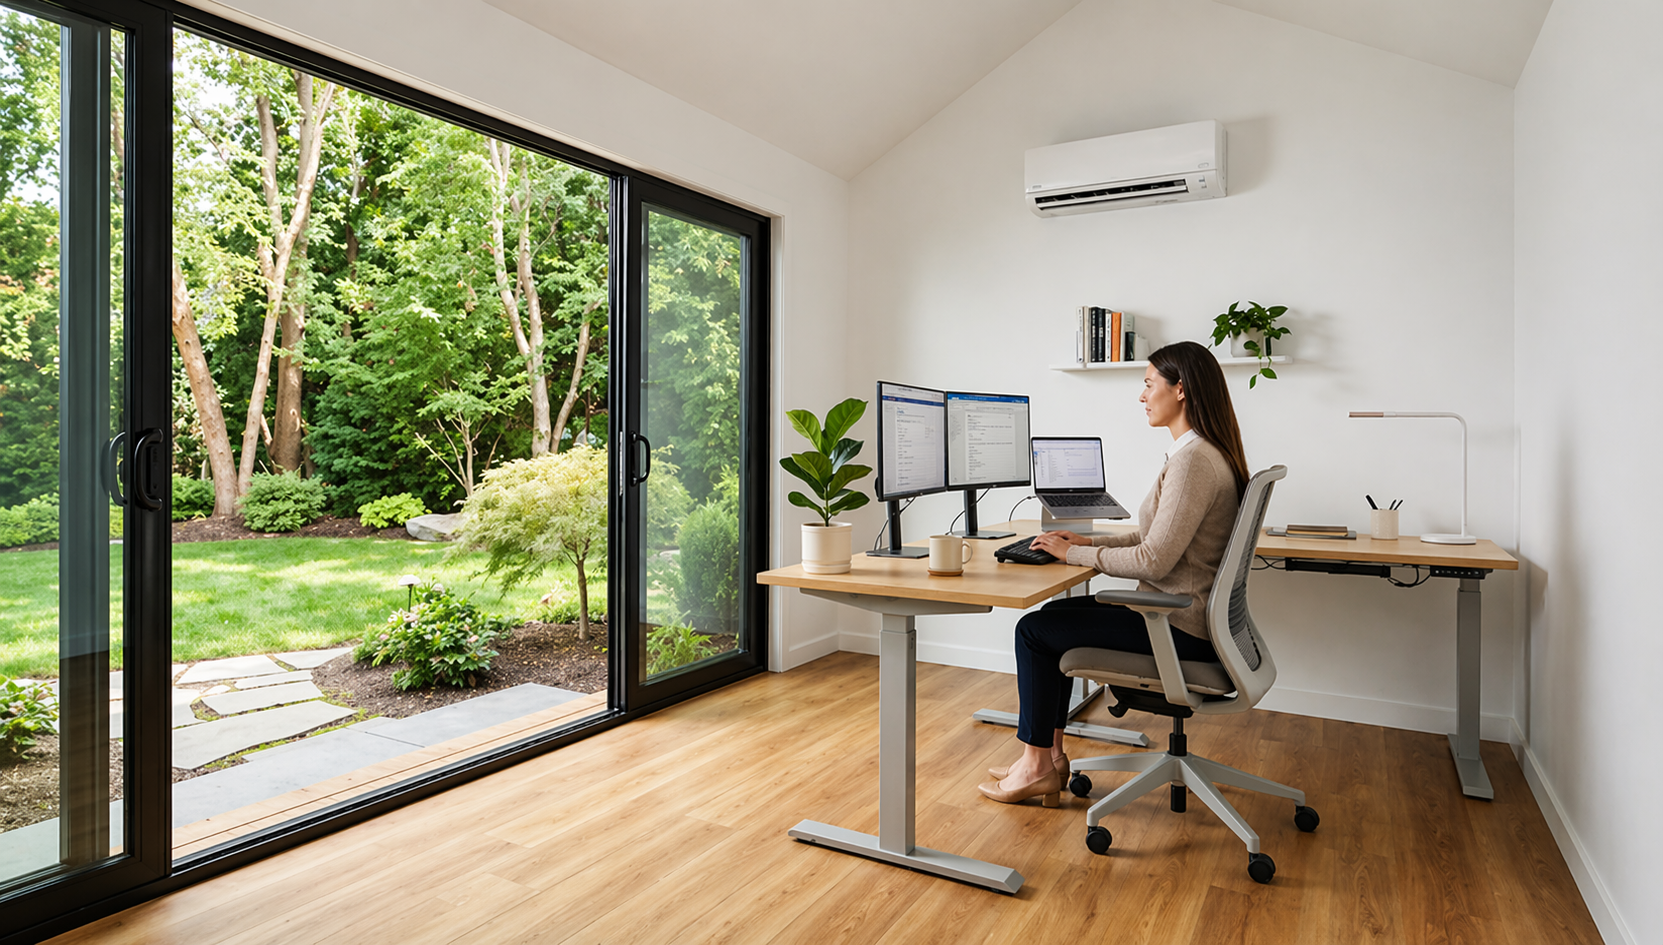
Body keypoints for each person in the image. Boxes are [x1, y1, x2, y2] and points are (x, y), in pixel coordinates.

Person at [977, 340, 1251, 806]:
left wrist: (1073, 558)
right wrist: (1088, 542)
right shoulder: (1202, 454)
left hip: (1177, 626)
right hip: (1186, 617)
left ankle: (1037, 764)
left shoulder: (1193, 463)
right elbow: (1153, 538)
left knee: (1035, 630)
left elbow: (1152, 562)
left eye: (1148, 385)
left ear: (1180, 390)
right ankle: (1047, 759)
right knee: (1050, 624)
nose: (1142, 396)